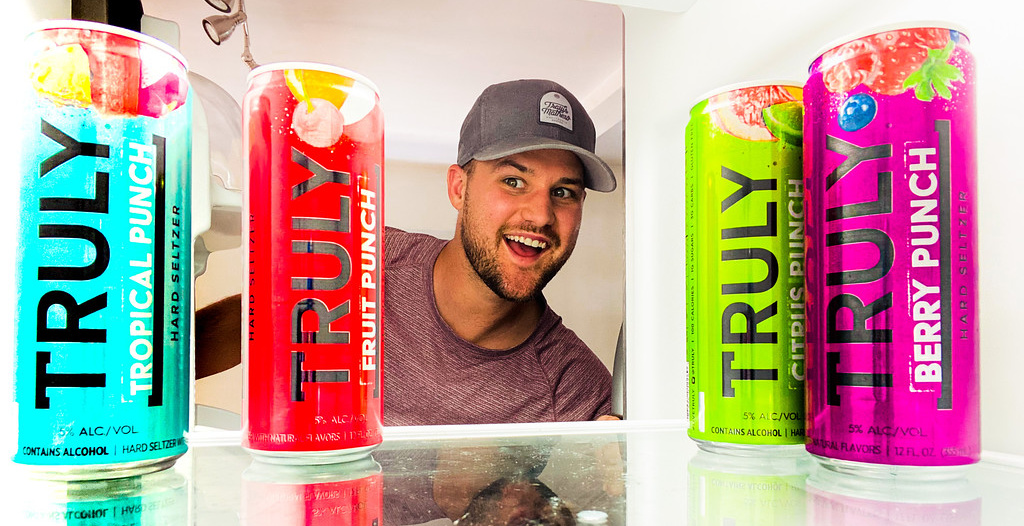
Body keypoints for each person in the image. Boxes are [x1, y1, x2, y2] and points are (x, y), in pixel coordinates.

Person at [383, 79, 617, 426]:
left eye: (564, 192)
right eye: (513, 182)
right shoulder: (362, 262)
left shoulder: (576, 393)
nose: (540, 215)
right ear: (459, 188)